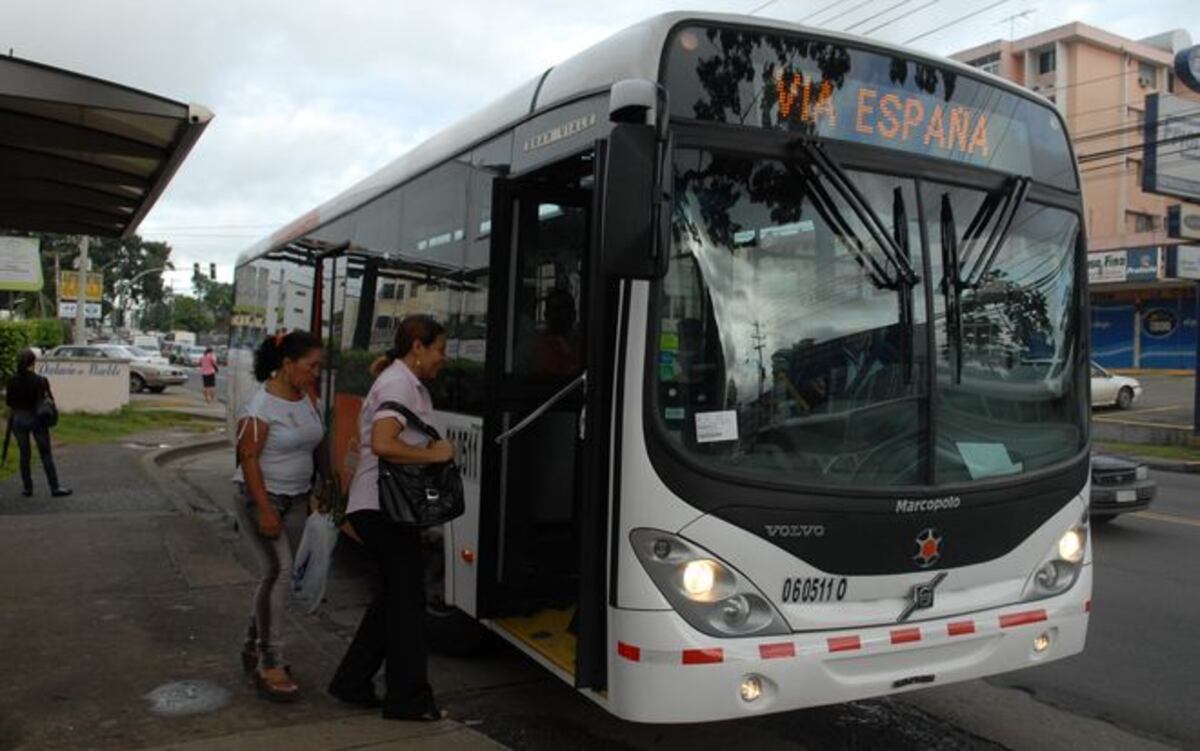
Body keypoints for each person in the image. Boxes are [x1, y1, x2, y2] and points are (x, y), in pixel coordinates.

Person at [329, 314, 454, 721]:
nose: (443, 358)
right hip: (383, 508)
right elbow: (384, 443)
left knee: (394, 599)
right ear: (417, 346)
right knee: (407, 605)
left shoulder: (399, 380)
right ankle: (407, 699)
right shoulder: (400, 383)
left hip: (378, 506)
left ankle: (352, 682)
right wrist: (434, 454)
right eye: (440, 349)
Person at [233, 331, 327, 702]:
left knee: (277, 576)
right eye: (312, 365)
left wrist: (327, 483)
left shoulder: (308, 397)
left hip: (297, 496)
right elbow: (249, 459)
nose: (316, 373)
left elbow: (317, 440)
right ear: (288, 365)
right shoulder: (259, 407)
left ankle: (252, 643)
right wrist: (266, 511)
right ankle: (270, 662)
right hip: (261, 498)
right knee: (280, 572)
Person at [4, 349, 71, 498]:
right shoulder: (41, 380)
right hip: (37, 420)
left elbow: (9, 402)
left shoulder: (11, 380)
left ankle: (28, 489)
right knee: (45, 454)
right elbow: (49, 401)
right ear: (33, 363)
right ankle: (54, 487)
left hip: (18, 420)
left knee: (24, 454)